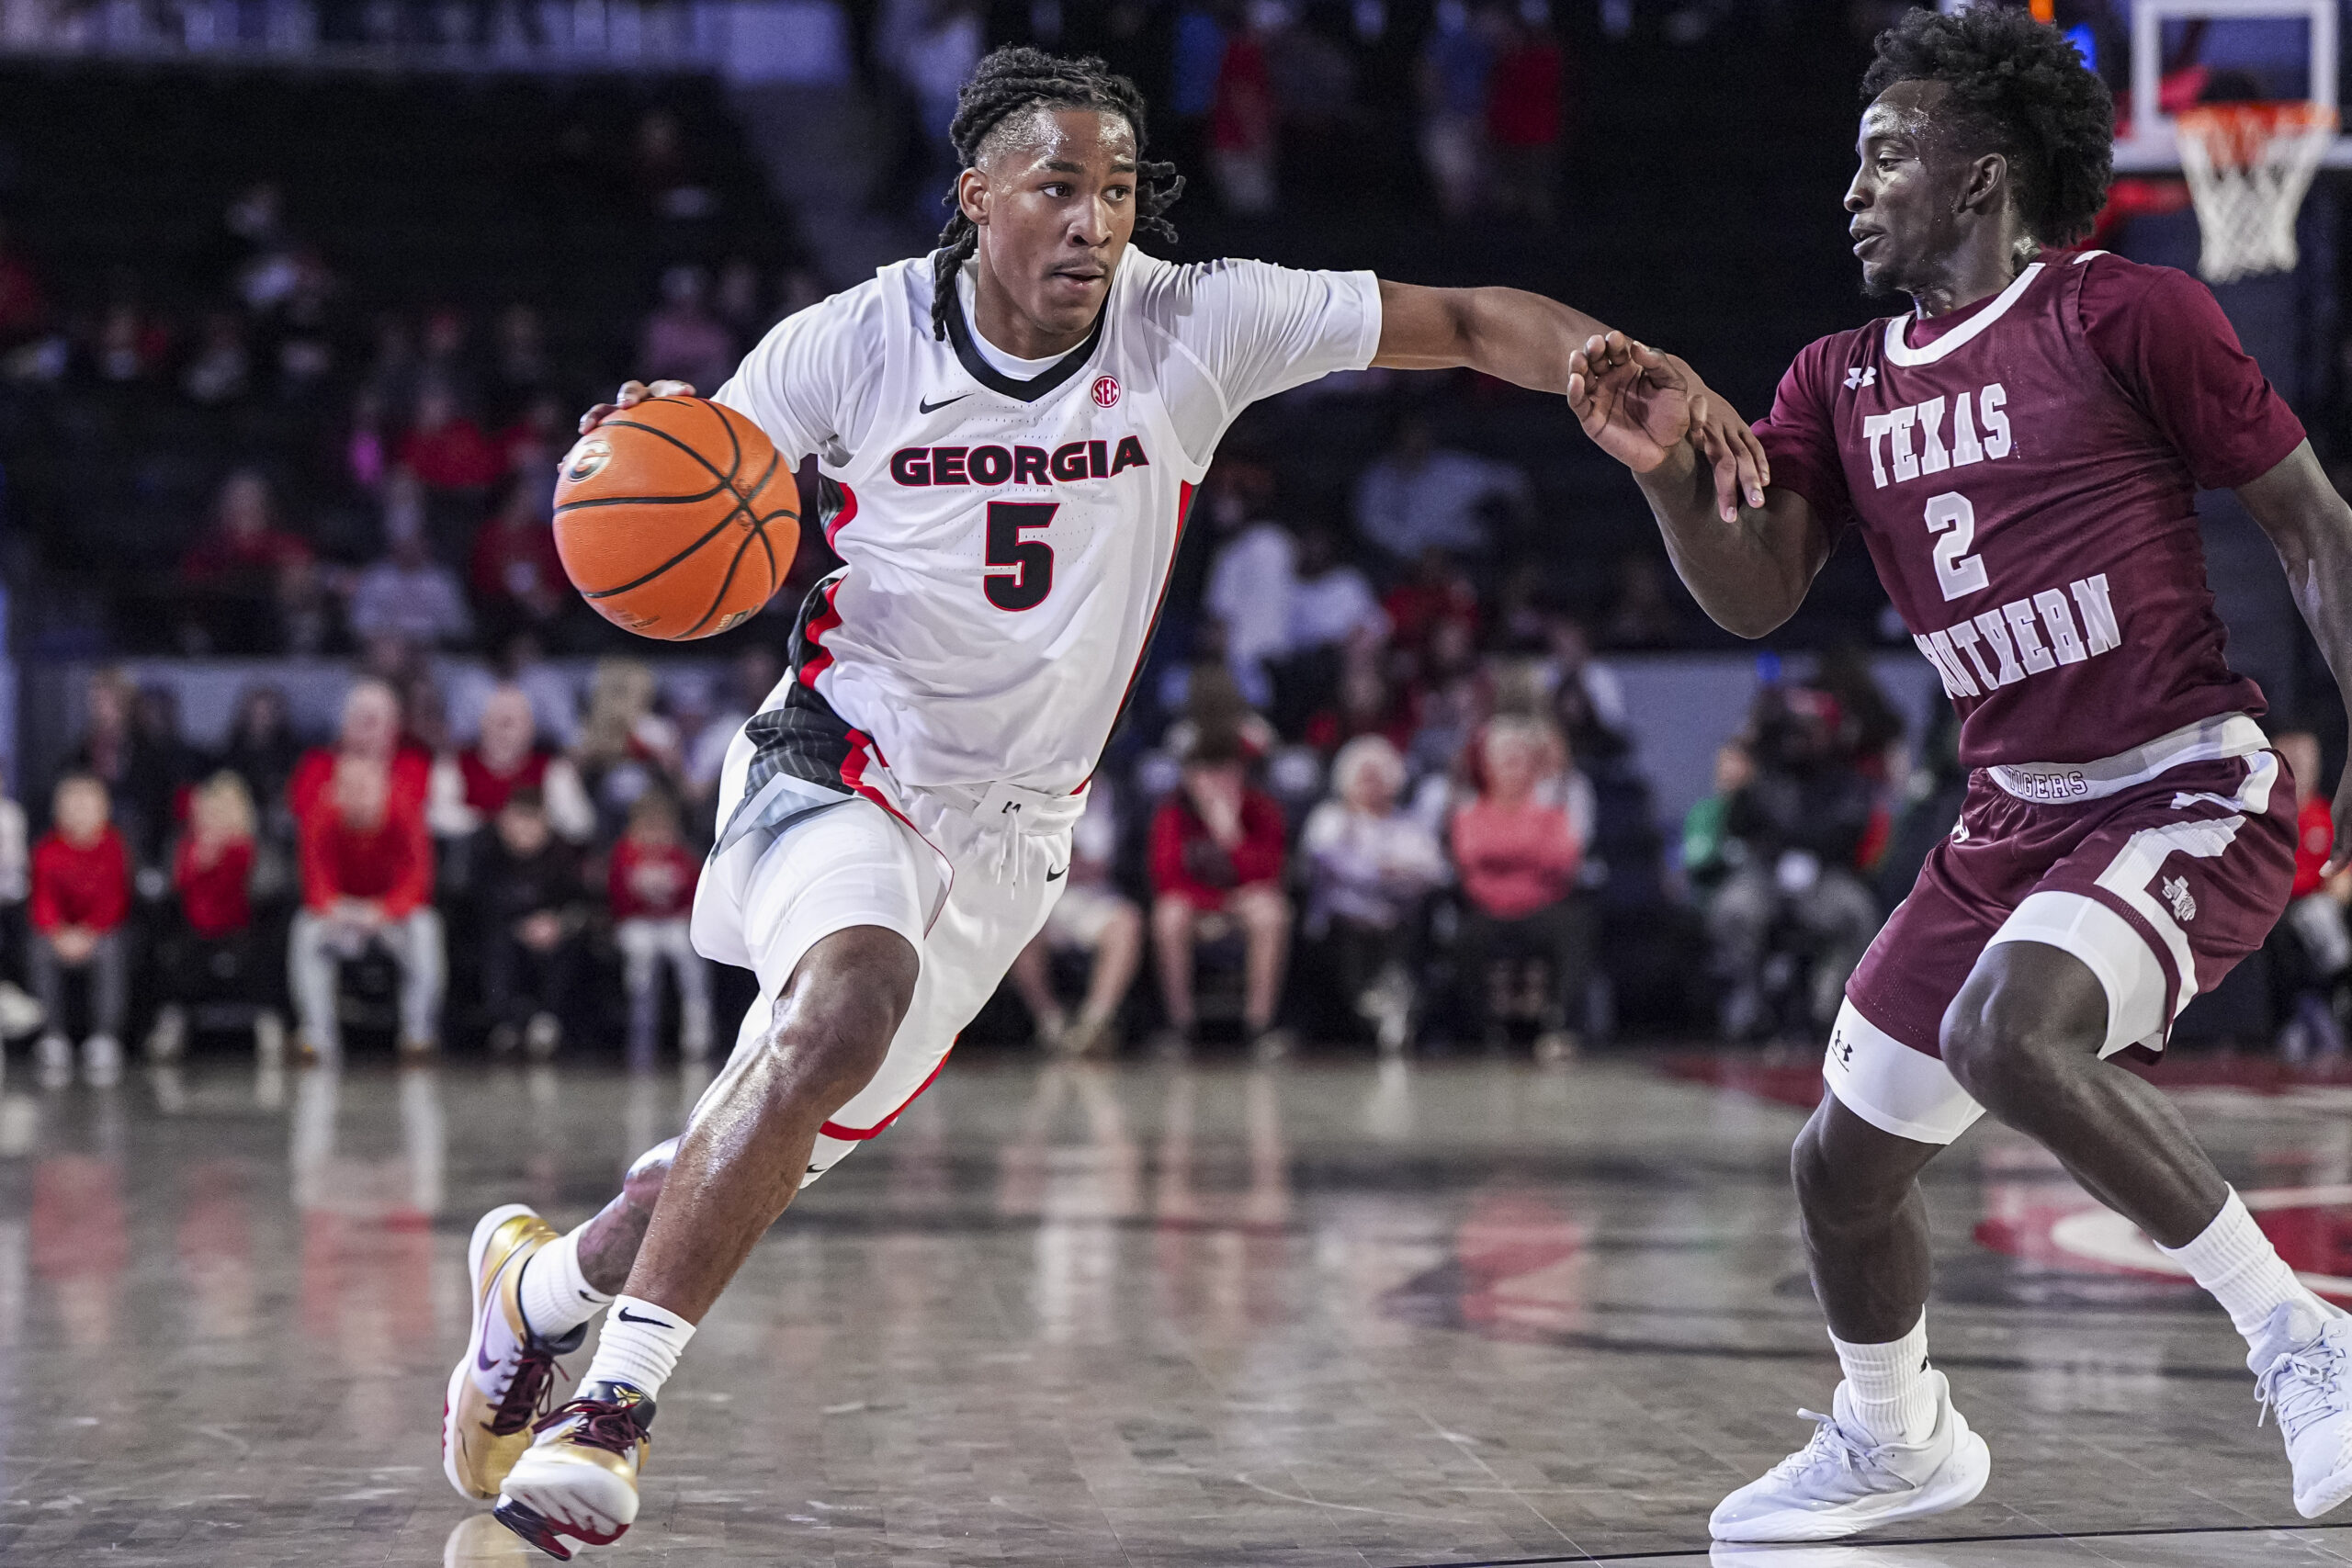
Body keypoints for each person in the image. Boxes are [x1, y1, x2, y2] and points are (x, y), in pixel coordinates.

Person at [439, 44, 1763, 1555]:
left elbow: (1461, 319)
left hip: (1013, 835)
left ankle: (537, 1292)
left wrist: (1622, 359)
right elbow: (701, 461)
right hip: (841, 759)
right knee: (840, 1006)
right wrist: (646, 433)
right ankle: (607, 1417)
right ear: (976, 196)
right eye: (1059, 186)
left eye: (1120, 189)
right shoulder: (856, 340)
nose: (1095, 220)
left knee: (758, 1135)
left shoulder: (1192, 323)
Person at [1567, 8, 2352, 1537]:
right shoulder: (1836, 382)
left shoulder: (2130, 314)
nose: (1852, 187)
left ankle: (2299, 1333)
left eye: (1884, 156)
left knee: (2008, 1032)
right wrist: (1668, 471)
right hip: (2009, 819)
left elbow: (2313, 528)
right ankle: (1895, 1433)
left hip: (2181, 782)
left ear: (1981, 174)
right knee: (1840, 1169)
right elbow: (1756, 591)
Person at [1447, 717, 1590, 1057]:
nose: (1512, 766)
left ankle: (1562, 1028)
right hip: (1488, 910)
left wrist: (1500, 855)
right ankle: (1476, 1031)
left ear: (1532, 766)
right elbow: (1469, 856)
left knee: (1575, 925)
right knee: (1464, 937)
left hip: (1539, 909)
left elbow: (1564, 859)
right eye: (1504, 758)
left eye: (1519, 758)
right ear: (1488, 766)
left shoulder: (1552, 814)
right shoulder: (1469, 813)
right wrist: (1528, 853)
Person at [289, 754, 442, 1063]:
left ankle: (418, 1036)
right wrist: (338, 910)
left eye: (365, 787)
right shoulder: (320, 816)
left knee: (426, 927)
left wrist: (382, 912)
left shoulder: (406, 812)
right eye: (348, 787)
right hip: (341, 914)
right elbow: (315, 883)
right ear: (336, 790)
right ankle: (317, 1037)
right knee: (305, 929)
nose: (357, 795)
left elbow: (417, 882)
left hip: (389, 916)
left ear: (383, 787)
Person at [1148, 728, 1291, 1055]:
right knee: (1169, 914)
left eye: (1225, 772)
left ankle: (1259, 1025)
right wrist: (1217, 903)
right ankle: (1180, 1025)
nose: (1215, 782)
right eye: (1205, 772)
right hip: (1200, 910)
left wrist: (1230, 834)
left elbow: (1268, 873)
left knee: (1271, 913)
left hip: (1245, 909)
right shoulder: (1172, 814)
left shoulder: (1262, 810)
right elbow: (1166, 877)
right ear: (1189, 777)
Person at [1300, 735, 1446, 1052]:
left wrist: (1385, 875)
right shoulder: (1330, 819)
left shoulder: (1409, 825)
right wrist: (1386, 873)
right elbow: (1329, 863)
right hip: (1342, 924)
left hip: (1398, 922)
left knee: (1419, 929)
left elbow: (1432, 872)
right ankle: (1355, 1025)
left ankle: (1399, 1022)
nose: (1371, 784)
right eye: (1363, 776)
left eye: (1379, 776)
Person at [146, 773, 284, 1065]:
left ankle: (269, 1021)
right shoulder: (185, 847)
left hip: (245, 929)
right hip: (195, 930)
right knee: (178, 949)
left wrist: (233, 858)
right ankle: (173, 1019)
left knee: (267, 946)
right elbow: (173, 889)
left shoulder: (254, 848)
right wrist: (199, 862)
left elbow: (266, 888)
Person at [1008, 776, 1141, 1055]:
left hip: (1096, 898)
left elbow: (1132, 858)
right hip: (1043, 894)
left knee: (1127, 923)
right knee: (1014, 923)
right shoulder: (1037, 786)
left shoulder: (1120, 793)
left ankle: (1094, 1023)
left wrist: (1104, 869)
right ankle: (1050, 1022)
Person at [27, 773, 131, 1088]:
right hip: (59, 934)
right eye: (72, 805)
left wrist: (89, 933)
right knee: (38, 948)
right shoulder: (48, 849)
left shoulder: (114, 846)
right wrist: (58, 933)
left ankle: (105, 1036)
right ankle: (52, 1035)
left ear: (103, 809)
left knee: (111, 950)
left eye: (86, 804)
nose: (79, 811)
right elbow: (43, 900)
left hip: (99, 933)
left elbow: (114, 900)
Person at [472, 788, 585, 1060]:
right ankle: (505, 1021)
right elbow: (475, 902)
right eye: (517, 822)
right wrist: (518, 925)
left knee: (568, 947)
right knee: (496, 946)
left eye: (531, 822)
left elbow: (582, 906)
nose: (524, 832)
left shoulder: (564, 855)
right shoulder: (486, 851)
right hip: (502, 930)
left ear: (544, 823)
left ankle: (549, 1018)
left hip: (553, 934)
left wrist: (557, 923)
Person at [609, 791, 712, 1066]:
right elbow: (616, 900)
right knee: (642, 957)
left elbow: (696, 895)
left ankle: (696, 1035)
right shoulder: (625, 853)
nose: (654, 834)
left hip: (673, 922)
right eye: (648, 826)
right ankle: (641, 1033)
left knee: (688, 955)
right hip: (636, 923)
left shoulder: (681, 855)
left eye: (661, 826)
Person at [429, 684, 594, 846]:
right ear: (482, 722)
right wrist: (497, 820)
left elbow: (580, 826)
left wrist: (537, 822)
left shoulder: (554, 771)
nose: (503, 730)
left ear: (530, 728)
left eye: (512, 721)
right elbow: (436, 818)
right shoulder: (453, 765)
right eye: (496, 718)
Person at [2272, 729, 2349, 1058]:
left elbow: (2343, 868)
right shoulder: (2265, 814)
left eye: (2308, 759)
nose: (2302, 767)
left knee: (2319, 913)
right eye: (2294, 759)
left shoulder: (2327, 814)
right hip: (2279, 909)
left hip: (2319, 906)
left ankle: (2335, 990)